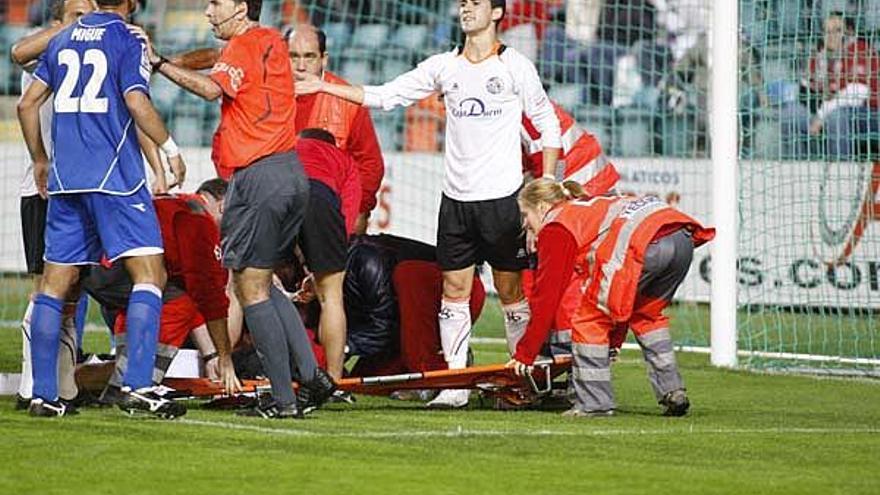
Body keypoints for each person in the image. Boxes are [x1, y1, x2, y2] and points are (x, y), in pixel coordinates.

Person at [297, 0, 562, 409]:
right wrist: (323, 86)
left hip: (502, 200)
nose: (466, 8)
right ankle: (454, 384)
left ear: (496, 13)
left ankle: (520, 379)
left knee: (510, 292)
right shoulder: (444, 66)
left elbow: (547, 124)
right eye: (462, 3)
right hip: (455, 202)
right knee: (452, 290)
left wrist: (544, 183)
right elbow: (387, 96)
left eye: (475, 3)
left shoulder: (516, 67)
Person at [138, 0, 335, 418]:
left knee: (251, 289)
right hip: (286, 174)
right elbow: (218, 58)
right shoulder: (268, 42)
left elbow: (212, 88)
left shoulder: (245, 46)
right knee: (257, 281)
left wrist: (158, 64)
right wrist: (170, 59)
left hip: (260, 177)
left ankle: (284, 400)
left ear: (241, 8)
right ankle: (312, 376)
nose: (208, 11)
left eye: (216, 3)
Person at [17, 0, 186, 418]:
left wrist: (40, 159)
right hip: (114, 177)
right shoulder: (127, 38)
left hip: (65, 179)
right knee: (150, 274)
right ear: (130, 4)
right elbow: (135, 100)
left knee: (54, 285)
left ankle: (42, 395)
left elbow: (26, 104)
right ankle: (139, 386)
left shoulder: (62, 38)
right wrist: (169, 147)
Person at [508, 179, 714, 417]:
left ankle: (594, 405)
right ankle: (673, 390)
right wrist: (613, 342)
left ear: (542, 207)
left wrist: (525, 353)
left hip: (644, 243)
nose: (525, 223)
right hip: (681, 238)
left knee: (588, 319)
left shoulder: (556, 225)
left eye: (526, 214)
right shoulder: (588, 208)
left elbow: (547, 296)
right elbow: (622, 303)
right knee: (647, 315)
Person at [84, 179, 241, 403]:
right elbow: (207, 295)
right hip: (121, 273)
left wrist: (211, 355)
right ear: (224, 206)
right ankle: (136, 386)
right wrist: (225, 358)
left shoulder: (174, 204)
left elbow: (190, 292)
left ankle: (70, 381)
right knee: (178, 305)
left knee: (172, 300)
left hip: (101, 268)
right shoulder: (198, 221)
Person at [11, 0, 94, 412]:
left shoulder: (97, 53)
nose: (86, 23)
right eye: (77, 14)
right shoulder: (52, 51)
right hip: (44, 189)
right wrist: (73, 30)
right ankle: (31, 387)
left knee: (73, 289)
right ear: (60, 20)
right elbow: (17, 51)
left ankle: (63, 386)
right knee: (47, 288)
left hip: (86, 188)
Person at [287, 25, 385, 234]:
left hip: (334, 207)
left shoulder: (347, 100)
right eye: (293, 57)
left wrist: (357, 209)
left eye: (310, 57)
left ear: (324, 59)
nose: (301, 66)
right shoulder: (266, 95)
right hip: (280, 203)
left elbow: (370, 163)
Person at [295, 128, 361, 382]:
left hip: (278, 191)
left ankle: (225, 367)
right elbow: (345, 222)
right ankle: (333, 380)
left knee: (245, 289)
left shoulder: (289, 146)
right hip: (319, 198)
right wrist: (318, 266)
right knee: (331, 297)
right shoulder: (344, 160)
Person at [782, 11, 879, 160]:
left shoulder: (860, 49)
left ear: (849, 32)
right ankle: (804, 167)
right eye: (827, 31)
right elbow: (806, 92)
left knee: (836, 116)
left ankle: (840, 170)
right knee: (791, 113)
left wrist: (820, 115)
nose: (831, 35)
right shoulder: (822, 55)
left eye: (837, 30)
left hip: (870, 113)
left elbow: (857, 94)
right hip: (831, 109)